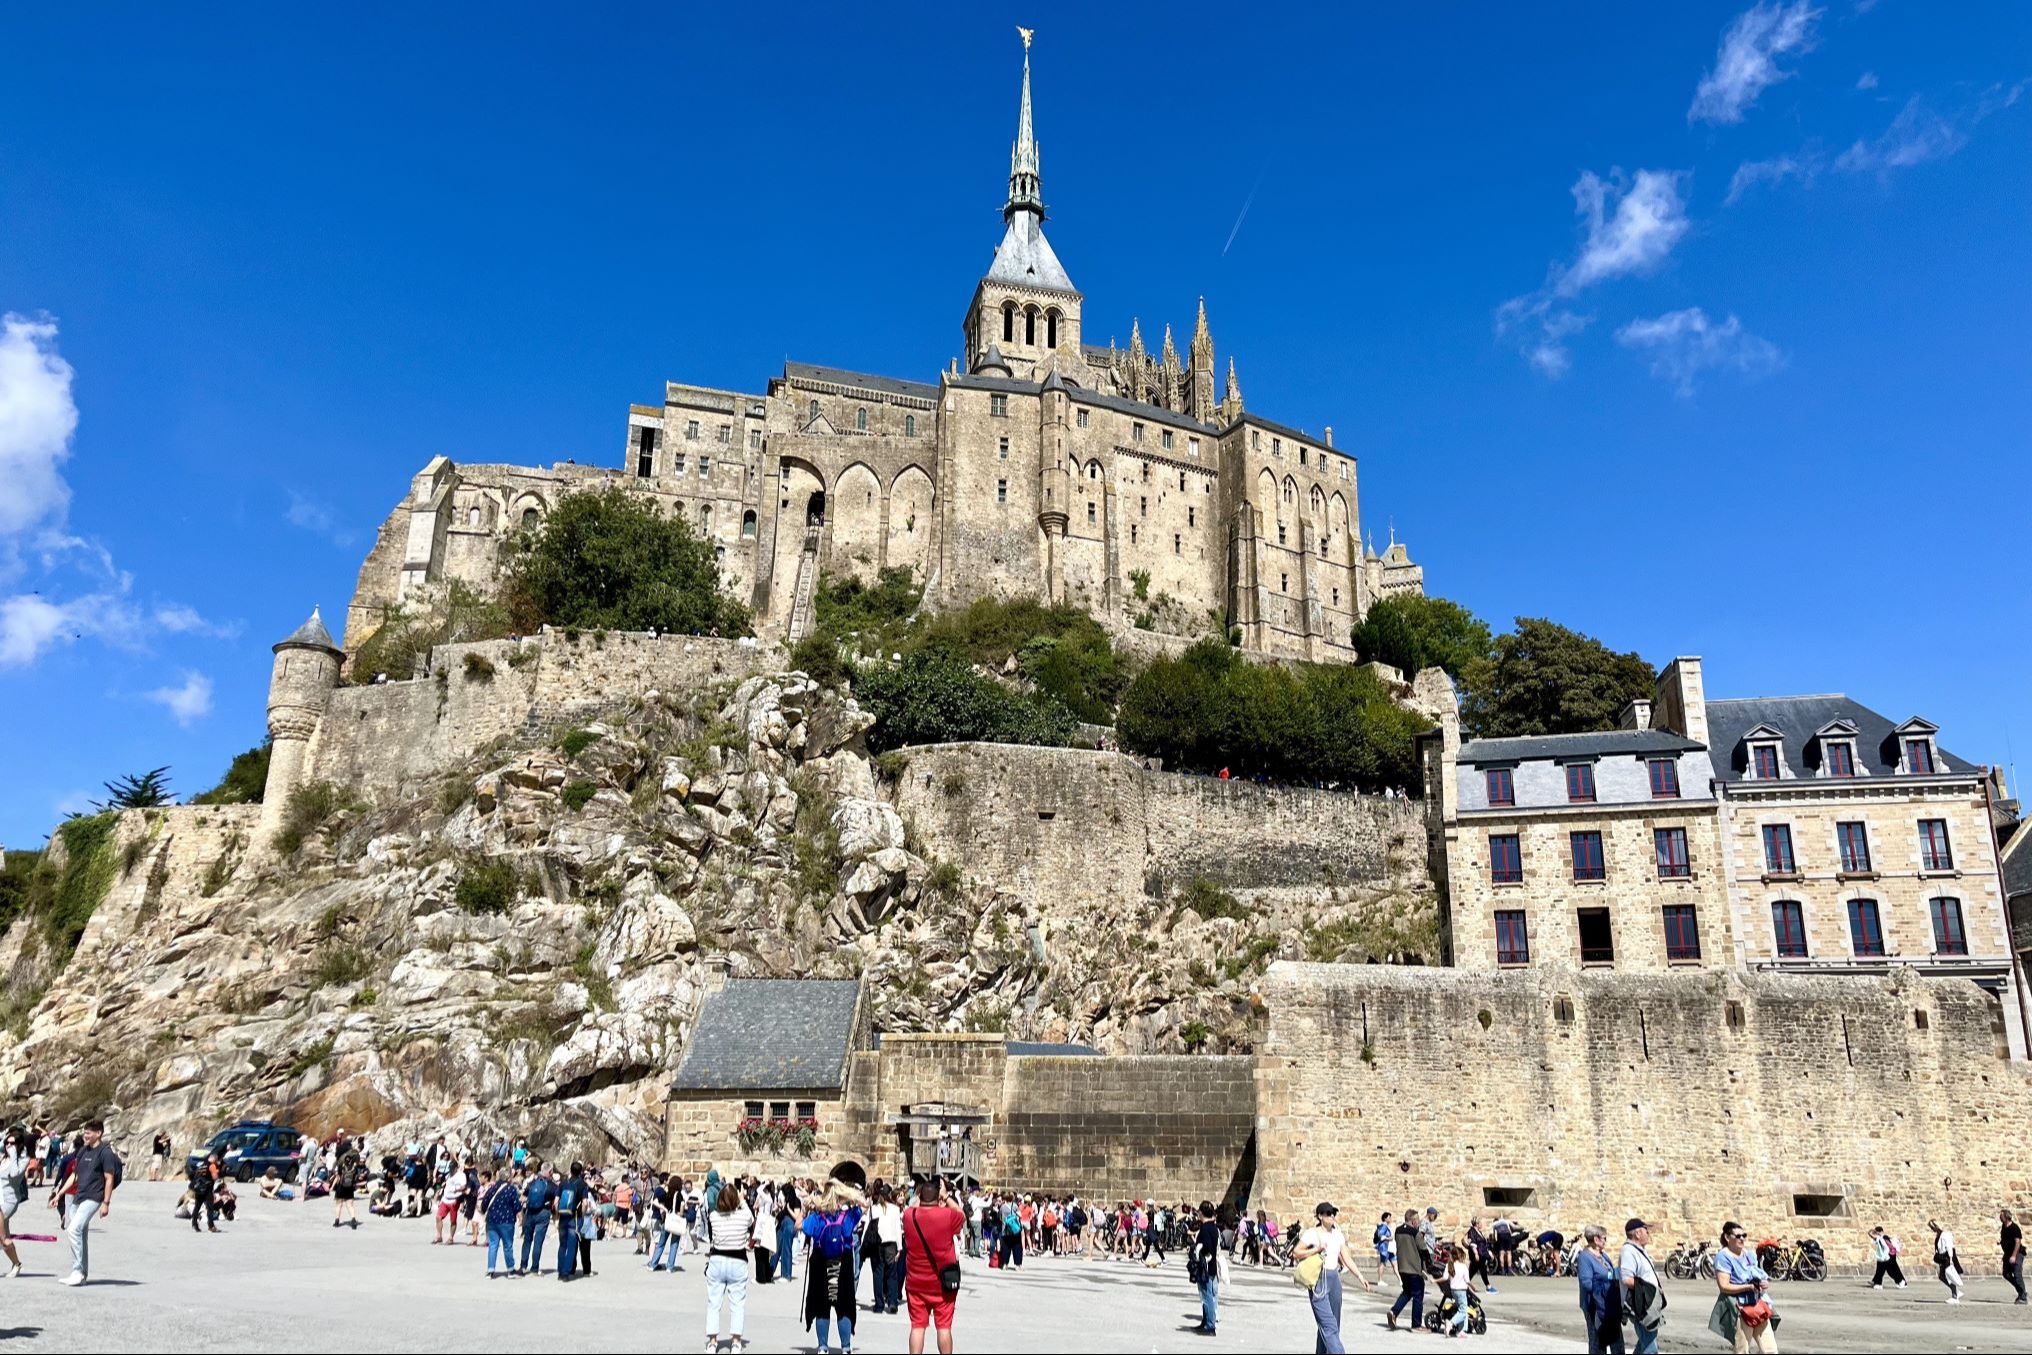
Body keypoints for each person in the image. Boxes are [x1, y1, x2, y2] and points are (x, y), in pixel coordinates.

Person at [49, 1117, 119, 1286]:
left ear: (98, 1133)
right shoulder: (83, 1151)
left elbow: (109, 1179)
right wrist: (59, 1194)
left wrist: (106, 1203)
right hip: (78, 1197)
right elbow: (74, 1175)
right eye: (85, 1133)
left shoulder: (105, 1153)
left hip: (94, 1197)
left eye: (89, 1133)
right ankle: (81, 1274)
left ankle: (78, 1271)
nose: (85, 1136)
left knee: (73, 1230)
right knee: (81, 1234)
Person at [801, 1175, 865, 1355]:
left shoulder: (817, 1217)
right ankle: (845, 1347)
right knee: (843, 1304)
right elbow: (864, 1204)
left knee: (822, 1304)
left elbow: (800, 1225)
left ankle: (822, 1347)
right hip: (842, 1262)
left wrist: (806, 1208)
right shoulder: (848, 1216)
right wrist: (848, 1195)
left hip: (821, 1262)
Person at [902, 1175, 965, 1355]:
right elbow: (961, 1214)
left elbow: (912, 1206)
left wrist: (920, 1195)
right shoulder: (946, 1216)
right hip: (942, 1283)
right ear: (938, 1198)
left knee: (917, 1327)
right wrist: (945, 1197)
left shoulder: (909, 1216)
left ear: (920, 1197)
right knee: (944, 1327)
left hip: (915, 1282)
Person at [1294, 1201, 1366, 1355]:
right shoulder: (1312, 1234)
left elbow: (1346, 1258)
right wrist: (1316, 1250)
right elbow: (1296, 1252)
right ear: (1320, 1216)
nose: (1332, 1216)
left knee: (1332, 1325)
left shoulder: (1338, 1234)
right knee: (1329, 1325)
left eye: (1333, 1213)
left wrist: (1360, 1276)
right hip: (1319, 1279)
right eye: (1328, 1213)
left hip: (1334, 1280)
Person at [1714, 1221, 1777, 1354]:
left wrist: (1764, 1283)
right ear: (1727, 1237)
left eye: (1744, 1235)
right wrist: (1747, 1287)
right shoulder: (1723, 1256)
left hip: (1758, 1306)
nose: (1742, 1239)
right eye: (1738, 1236)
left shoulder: (1749, 1255)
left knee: (1770, 1349)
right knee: (1742, 1349)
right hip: (1739, 1309)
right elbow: (1724, 1286)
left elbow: (1760, 1275)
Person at [1618, 1218, 1666, 1355]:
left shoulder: (1638, 1250)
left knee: (1646, 1343)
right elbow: (1627, 1278)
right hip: (1640, 1305)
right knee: (1650, 1347)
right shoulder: (1628, 1251)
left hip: (1648, 1303)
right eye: (1646, 1230)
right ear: (1638, 1234)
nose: (1648, 1233)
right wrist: (1646, 1290)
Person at [1577, 1225, 1624, 1355]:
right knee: (1597, 1342)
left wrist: (1619, 1273)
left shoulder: (1603, 1255)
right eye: (1604, 1238)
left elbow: (1609, 1273)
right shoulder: (1585, 1258)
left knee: (1617, 1340)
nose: (1605, 1241)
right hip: (1595, 1306)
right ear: (1596, 1239)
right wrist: (1605, 1284)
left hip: (1609, 1304)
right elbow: (1586, 1283)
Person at [1387, 1204, 1430, 1331]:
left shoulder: (1398, 1231)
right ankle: (1416, 1325)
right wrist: (1429, 1262)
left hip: (1402, 1268)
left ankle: (1394, 1312)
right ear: (1412, 1220)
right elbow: (1423, 1249)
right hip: (1413, 1268)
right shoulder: (1415, 1233)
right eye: (1417, 1220)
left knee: (1407, 1292)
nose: (1419, 1222)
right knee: (1418, 1295)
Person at [1190, 1199, 1222, 1336]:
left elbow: (1207, 1247)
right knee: (1205, 1294)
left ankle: (1210, 1326)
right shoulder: (1214, 1227)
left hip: (1206, 1267)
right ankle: (1206, 1321)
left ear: (1201, 1213)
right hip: (1212, 1265)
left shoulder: (1205, 1228)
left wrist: (1197, 1250)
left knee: (1207, 1295)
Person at [481, 1168, 520, 1276]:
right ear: (508, 1178)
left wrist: (486, 1212)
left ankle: (490, 1270)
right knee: (507, 1245)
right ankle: (510, 1270)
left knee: (493, 1245)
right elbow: (516, 1206)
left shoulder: (492, 1188)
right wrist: (520, 1217)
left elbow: (484, 1202)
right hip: (506, 1220)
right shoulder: (511, 1189)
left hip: (492, 1220)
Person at [0, 1127, 27, 1276]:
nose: (9, 1146)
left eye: (12, 1143)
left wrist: (15, 1156)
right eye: (7, 1143)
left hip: (8, 1200)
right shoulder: (3, 1158)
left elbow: (15, 1175)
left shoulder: (23, 1160)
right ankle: (16, 1264)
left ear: (19, 1145)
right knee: (4, 1237)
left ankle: (17, 1264)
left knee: (2, 1237)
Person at [520, 1162, 553, 1274]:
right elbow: (557, 1201)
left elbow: (522, 1198)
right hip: (543, 1213)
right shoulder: (552, 1186)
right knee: (538, 1242)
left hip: (530, 1213)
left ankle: (523, 1266)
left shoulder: (532, 1183)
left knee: (527, 1240)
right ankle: (534, 1268)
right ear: (550, 1172)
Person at [556, 1162, 587, 1281]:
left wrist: (557, 1215)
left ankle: (560, 1270)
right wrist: (582, 1215)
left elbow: (556, 1200)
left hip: (563, 1216)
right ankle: (566, 1272)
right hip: (574, 1217)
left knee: (562, 1245)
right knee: (571, 1246)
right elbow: (585, 1203)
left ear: (570, 1170)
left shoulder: (563, 1183)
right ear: (580, 1172)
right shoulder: (582, 1185)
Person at [1441, 1244, 1473, 1339]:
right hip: (1462, 1291)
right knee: (1463, 1311)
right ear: (1461, 1256)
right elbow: (1467, 1281)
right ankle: (1450, 1323)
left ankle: (1462, 1331)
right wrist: (1473, 1287)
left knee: (1462, 1309)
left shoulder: (1449, 1265)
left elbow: (1445, 1278)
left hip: (1453, 1290)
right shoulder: (1463, 1267)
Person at [1930, 1218, 1964, 1303]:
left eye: (1932, 1227)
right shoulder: (1939, 1235)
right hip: (1942, 1258)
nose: (1932, 1229)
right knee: (1942, 1276)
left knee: (1948, 1276)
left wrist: (1951, 1258)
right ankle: (1955, 1292)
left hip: (1947, 1257)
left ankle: (1955, 1296)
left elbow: (1949, 1246)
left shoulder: (1945, 1235)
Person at [434, 1158, 467, 1245]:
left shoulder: (461, 1175)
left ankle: (451, 1238)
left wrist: (456, 1189)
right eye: (450, 1168)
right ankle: (439, 1236)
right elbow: (445, 1185)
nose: (451, 1170)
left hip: (454, 1200)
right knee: (438, 1217)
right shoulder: (449, 1175)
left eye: (452, 1168)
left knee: (453, 1220)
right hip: (445, 1199)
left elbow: (464, 1186)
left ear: (456, 1167)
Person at [332, 1133, 361, 1229]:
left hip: (341, 1185)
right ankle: (353, 1219)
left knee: (339, 1204)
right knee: (350, 1204)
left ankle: (337, 1221)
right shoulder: (354, 1162)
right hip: (350, 1186)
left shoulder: (341, 1162)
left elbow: (338, 1176)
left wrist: (332, 1187)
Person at [2002, 1209, 2026, 1305]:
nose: (2000, 1217)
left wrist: (2013, 1256)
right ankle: (2021, 1291)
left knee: (2017, 1274)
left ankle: (2023, 1297)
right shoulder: (2003, 1227)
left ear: (2006, 1217)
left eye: (2001, 1216)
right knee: (2006, 1274)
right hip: (2007, 1254)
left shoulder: (2015, 1228)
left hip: (2017, 1254)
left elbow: (2017, 1242)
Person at [1373, 1211, 1397, 1287]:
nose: (1390, 1219)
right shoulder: (1384, 1226)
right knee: (1382, 1263)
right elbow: (1381, 1236)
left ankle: (1380, 1280)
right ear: (1385, 1218)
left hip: (1384, 1247)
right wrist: (1388, 1238)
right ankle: (1380, 1280)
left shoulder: (1384, 1226)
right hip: (1384, 1247)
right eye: (1389, 1217)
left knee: (1382, 1263)